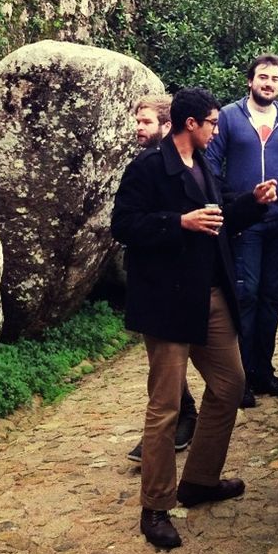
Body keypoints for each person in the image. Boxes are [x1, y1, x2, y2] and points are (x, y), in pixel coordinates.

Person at [112, 87, 277, 550]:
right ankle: (156, 506)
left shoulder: (204, 164)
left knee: (228, 385)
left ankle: (200, 480)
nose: (217, 129)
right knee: (165, 408)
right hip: (167, 303)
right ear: (190, 124)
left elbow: (219, 213)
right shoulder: (148, 167)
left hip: (211, 297)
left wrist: (253, 201)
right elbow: (123, 225)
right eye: (212, 122)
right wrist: (178, 222)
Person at [206, 55, 278, 408]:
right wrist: (237, 206)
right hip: (246, 223)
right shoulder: (230, 117)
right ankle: (240, 378)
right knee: (246, 295)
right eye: (263, 77)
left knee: (270, 298)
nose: (268, 83)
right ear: (250, 81)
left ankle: (263, 373)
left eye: (275, 79)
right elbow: (209, 168)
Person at [126, 96, 198, 463]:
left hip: (179, 282)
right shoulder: (145, 165)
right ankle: (176, 422)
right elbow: (126, 222)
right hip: (151, 281)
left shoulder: (188, 165)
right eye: (138, 121)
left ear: (169, 126)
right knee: (161, 363)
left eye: (146, 122)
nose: (139, 128)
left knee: (167, 366)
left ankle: (181, 420)